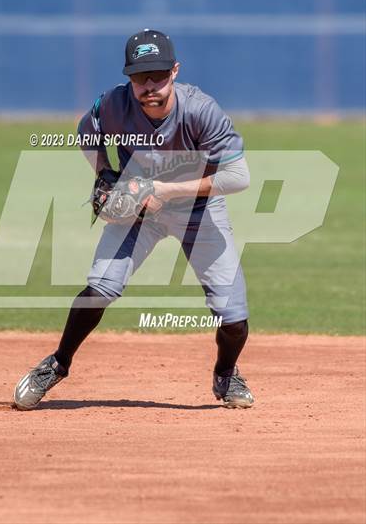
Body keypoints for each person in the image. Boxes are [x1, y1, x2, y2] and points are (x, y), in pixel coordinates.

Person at [14, 29, 254, 411]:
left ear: (175, 71)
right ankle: (57, 364)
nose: (149, 85)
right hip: (139, 210)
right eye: (140, 77)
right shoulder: (113, 104)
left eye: (158, 75)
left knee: (234, 316)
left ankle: (226, 375)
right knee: (99, 289)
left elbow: (238, 177)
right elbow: (86, 131)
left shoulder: (200, 110)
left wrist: (162, 190)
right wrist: (105, 174)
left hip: (198, 210)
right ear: (129, 77)